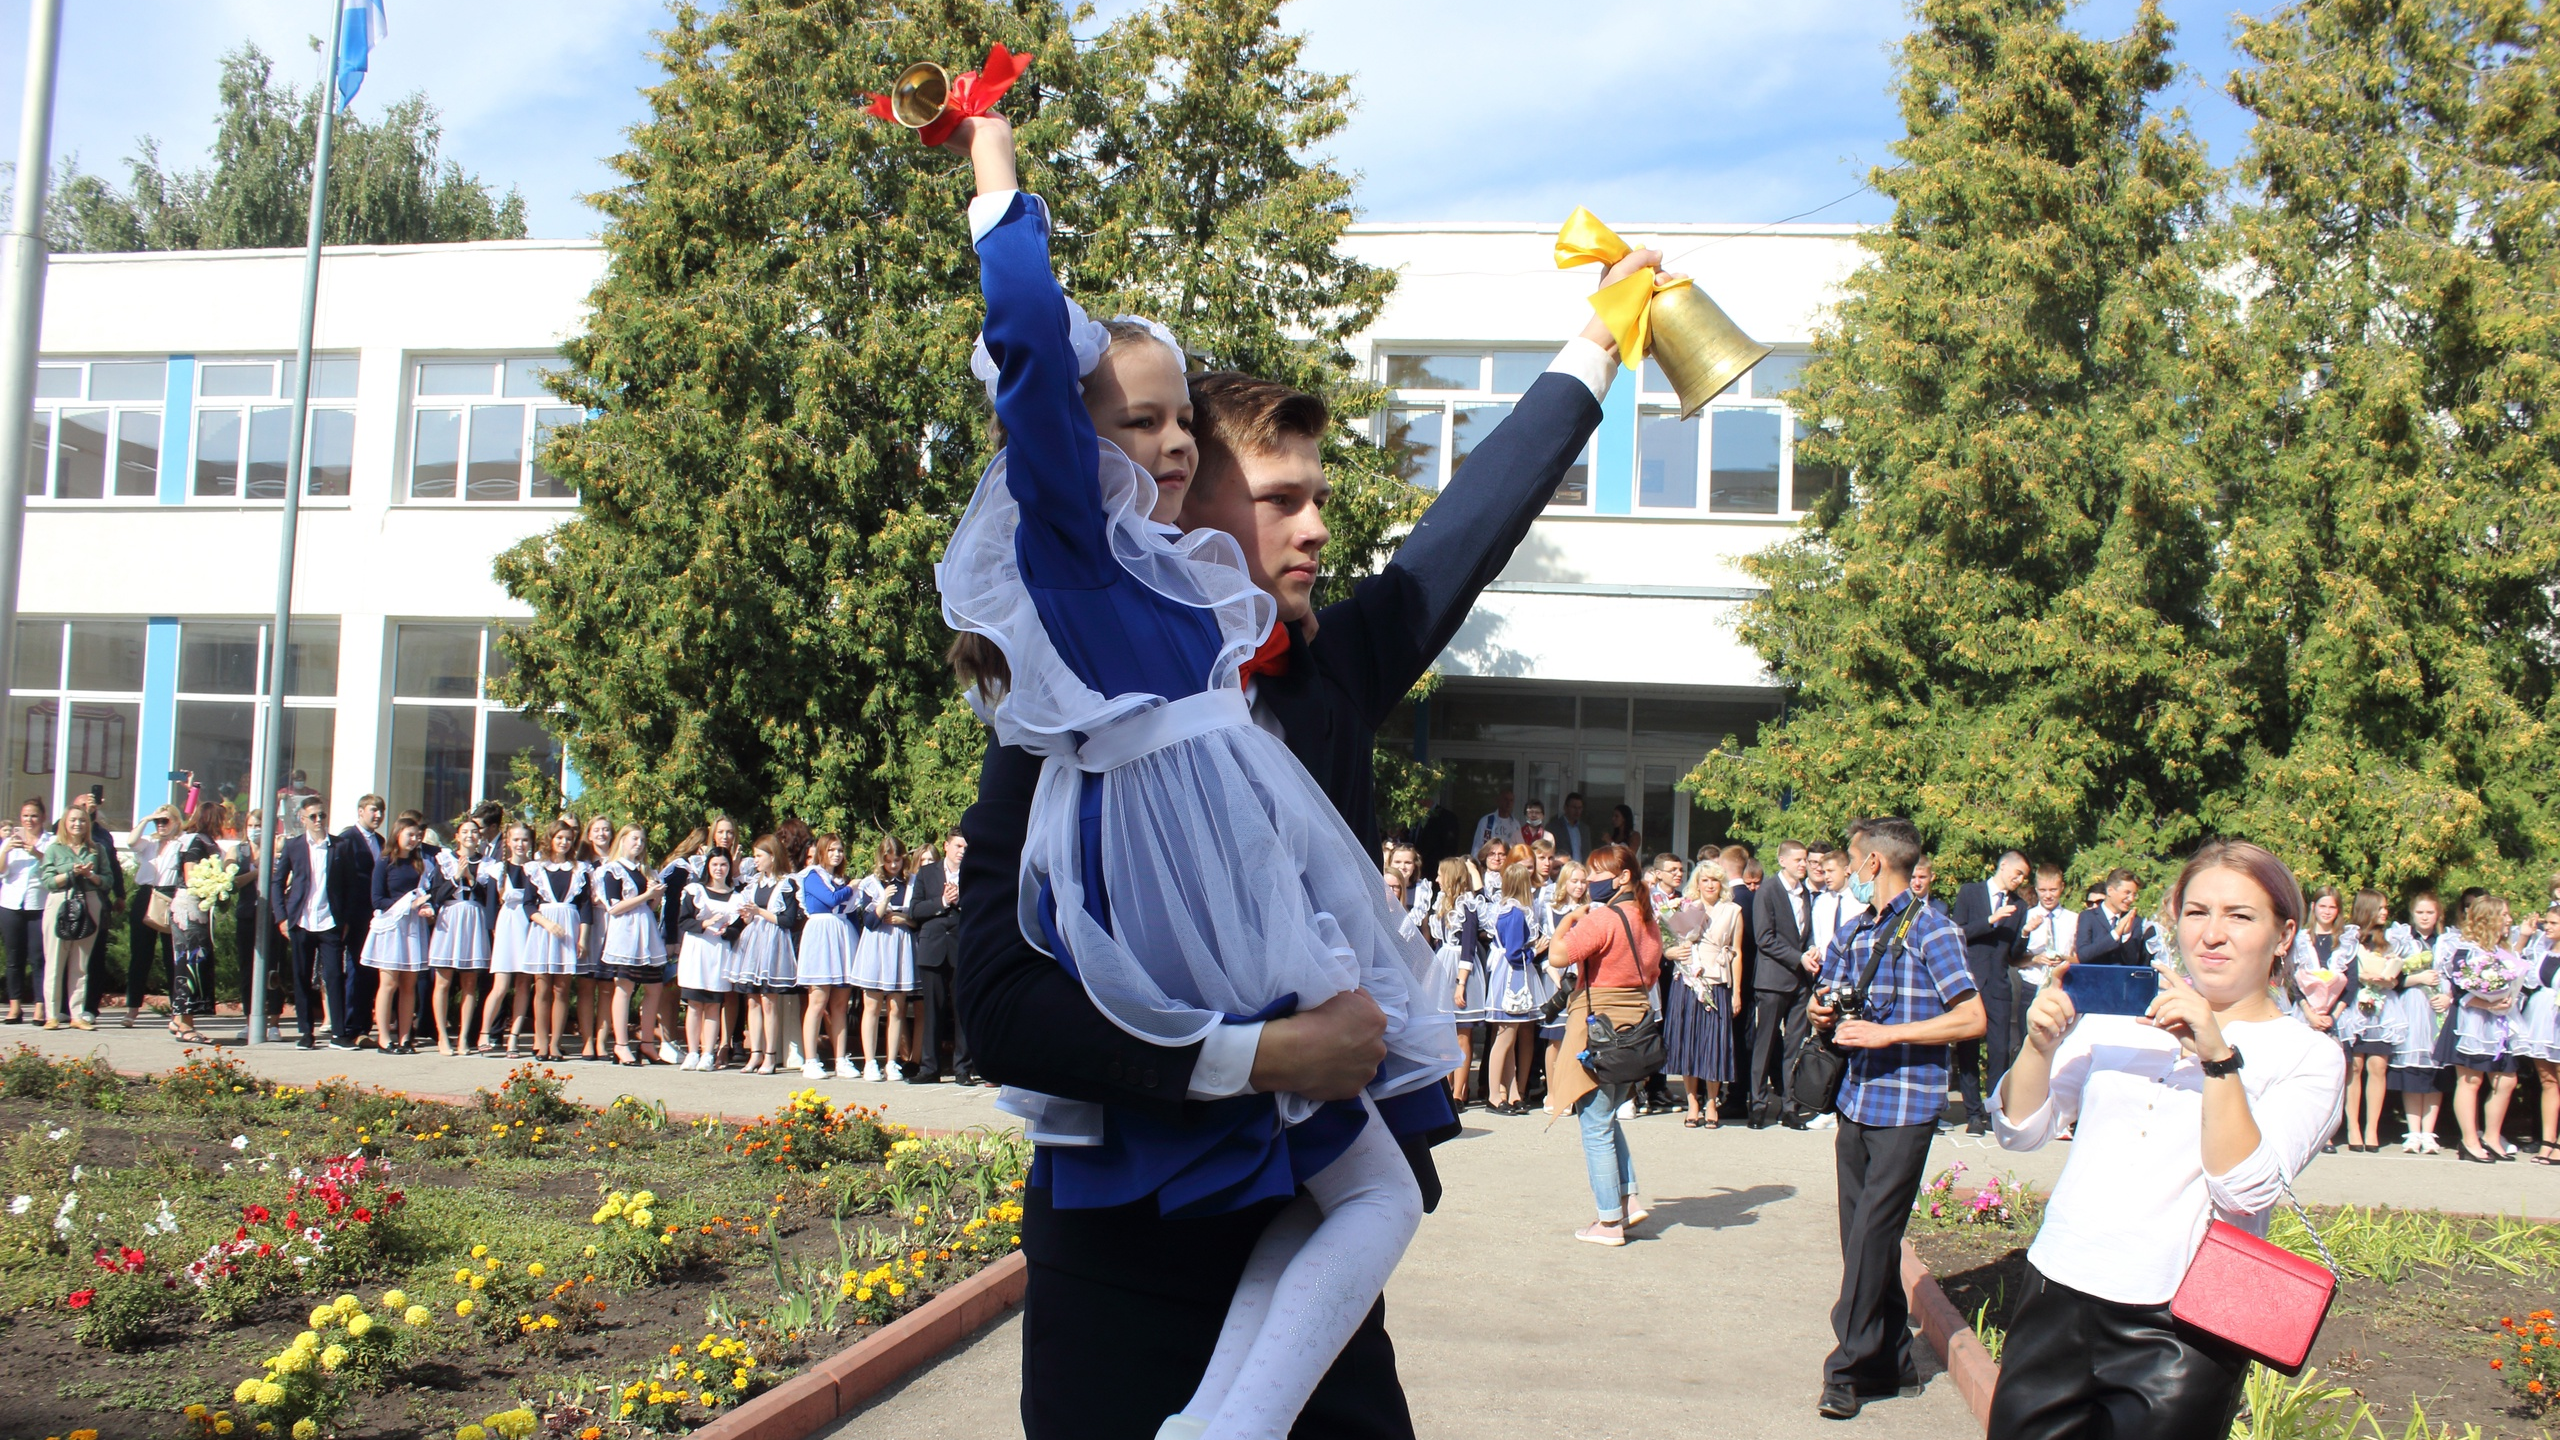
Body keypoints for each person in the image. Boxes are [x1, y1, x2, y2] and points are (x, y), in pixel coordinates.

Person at [1984, 840, 2344, 1439]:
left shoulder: (2310, 1056)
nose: (2213, 934)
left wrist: (2217, 1059)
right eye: (2198, 912)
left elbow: (2246, 1191)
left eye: (2240, 916)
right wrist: (2038, 1045)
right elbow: (2020, 1132)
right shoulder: (2119, 1018)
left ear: (2283, 935)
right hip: (2058, 1289)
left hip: (2182, 1323)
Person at [1806, 817, 1983, 1420]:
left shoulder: (1934, 928)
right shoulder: (1855, 930)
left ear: (1875, 863)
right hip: (1855, 1099)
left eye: (1852, 861)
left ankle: (1847, 1370)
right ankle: (1893, 1360)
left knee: (1873, 1236)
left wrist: (1889, 1035)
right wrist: (1821, 1011)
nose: (1848, 871)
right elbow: (1828, 995)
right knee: (1858, 1236)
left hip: (1907, 1102)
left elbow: (1971, 1018)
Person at [1548, 843, 1661, 1246]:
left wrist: (1570, 920)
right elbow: (1649, 974)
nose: (1592, 881)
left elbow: (1558, 956)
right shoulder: (1647, 918)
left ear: (1623, 877)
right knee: (1608, 1114)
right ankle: (1627, 1201)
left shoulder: (1606, 918)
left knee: (1594, 1121)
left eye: (1598, 874)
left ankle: (1609, 1221)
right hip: (1634, 1024)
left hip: (1597, 1022)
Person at [2443, 894, 2529, 1163]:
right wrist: (2488, 1003)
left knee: (2507, 1080)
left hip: (2501, 1023)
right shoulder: (2467, 950)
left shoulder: (2500, 952)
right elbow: (2459, 991)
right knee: (2471, 1080)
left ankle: (2492, 1136)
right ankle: (2469, 1141)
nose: (2509, 920)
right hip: (2473, 1021)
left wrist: (2507, 999)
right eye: (2504, 915)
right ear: (2488, 918)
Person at [1953, 852, 2031, 1136]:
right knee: (1968, 1050)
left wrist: (2024, 936)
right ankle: (1973, 1113)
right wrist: (1990, 919)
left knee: (1999, 1051)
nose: (2019, 879)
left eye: (2024, 876)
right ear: (2003, 865)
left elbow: (2012, 955)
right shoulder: (1971, 892)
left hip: (1998, 986)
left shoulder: (2019, 906)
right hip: (1971, 982)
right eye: (2018, 872)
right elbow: (1957, 932)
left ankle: (1992, 1110)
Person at [1665, 859, 1741, 1129]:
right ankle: (1692, 1102)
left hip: (1716, 981)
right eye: (1705, 880)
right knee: (1688, 1042)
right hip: (1686, 981)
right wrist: (1671, 951)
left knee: (1713, 1044)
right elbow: (1668, 944)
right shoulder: (1685, 908)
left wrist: (1737, 992)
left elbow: (1737, 952)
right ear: (1697, 883)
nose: (1710, 885)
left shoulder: (1733, 910)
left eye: (1715, 880)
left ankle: (1711, 1100)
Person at [1749, 839, 1818, 1129]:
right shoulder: (1768, 891)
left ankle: (1790, 1106)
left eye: (1805, 860)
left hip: (1801, 981)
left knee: (1795, 1045)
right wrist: (1798, 958)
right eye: (1798, 860)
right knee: (1764, 1044)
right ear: (1783, 861)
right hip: (1773, 979)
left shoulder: (1807, 894)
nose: (1803, 865)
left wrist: (1812, 950)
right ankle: (1758, 1104)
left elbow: (1808, 931)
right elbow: (1764, 937)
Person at [2335, 891, 2405, 1152]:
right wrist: (2362, 976)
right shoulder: (2349, 938)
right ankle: (2352, 1126)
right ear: (2368, 909)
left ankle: (2371, 1128)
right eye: (2380, 908)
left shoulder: (2389, 941)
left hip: (2382, 1010)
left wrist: (2389, 979)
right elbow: (2341, 971)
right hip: (2355, 1009)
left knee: (2378, 1067)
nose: (2385, 912)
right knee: (2354, 1067)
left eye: (2386, 908)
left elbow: (2399, 978)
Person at [1480, 861, 1552, 1114]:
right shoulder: (1515, 912)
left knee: (1508, 1037)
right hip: (1513, 975)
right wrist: (1536, 950)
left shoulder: (1506, 909)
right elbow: (1513, 953)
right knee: (1504, 1037)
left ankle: (1511, 1093)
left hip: (1510, 973)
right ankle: (1493, 1094)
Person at [595, 824, 669, 1067]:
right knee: (624, 987)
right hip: (625, 932)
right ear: (623, 840)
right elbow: (614, 907)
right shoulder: (612, 870)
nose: (639, 843)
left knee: (654, 987)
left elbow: (651, 908)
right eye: (634, 838)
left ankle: (647, 1043)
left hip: (644, 931)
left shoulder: (644, 870)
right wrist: (646, 896)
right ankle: (621, 1044)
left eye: (642, 840)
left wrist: (655, 894)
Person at [2384, 892, 2452, 1153]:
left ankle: (2429, 1132)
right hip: (2412, 1007)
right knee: (2412, 1069)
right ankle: (2413, 1131)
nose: (2425, 917)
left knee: (2436, 1070)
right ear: (2413, 915)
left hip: (2438, 1010)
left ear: (2438, 915)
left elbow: (2457, 977)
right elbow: (2392, 978)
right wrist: (2418, 978)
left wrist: (2448, 998)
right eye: (2420, 913)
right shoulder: (2403, 940)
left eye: (2430, 913)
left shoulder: (2446, 942)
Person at [360, 817, 435, 1053]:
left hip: (413, 928)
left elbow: (427, 892)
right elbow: (377, 899)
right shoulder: (385, 861)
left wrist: (425, 907)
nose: (414, 840)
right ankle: (384, 1038)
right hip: (392, 926)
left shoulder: (420, 864)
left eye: (417, 835)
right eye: (409, 835)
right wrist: (409, 903)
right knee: (389, 982)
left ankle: (404, 1037)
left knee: (409, 984)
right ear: (398, 834)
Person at [728, 834, 800, 1076]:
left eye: (760, 856)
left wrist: (759, 912)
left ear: (772, 856)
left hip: (773, 943)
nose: (755, 860)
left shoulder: (786, 884)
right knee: (752, 1000)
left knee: (769, 1001)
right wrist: (747, 915)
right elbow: (749, 915)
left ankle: (770, 1055)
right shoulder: (754, 884)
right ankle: (755, 1052)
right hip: (754, 942)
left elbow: (788, 920)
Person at [905, 829, 971, 1084]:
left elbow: (980, 907)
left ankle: (962, 1069)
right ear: (946, 846)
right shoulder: (926, 873)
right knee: (932, 1010)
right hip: (932, 948)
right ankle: (929, 1068)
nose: (962, 851)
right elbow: (915, 909)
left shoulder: (972, 874)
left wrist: (959, 902)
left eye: (966, 847)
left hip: (960, 947)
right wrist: (942, 901)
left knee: (961, 1009)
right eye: (958, 846)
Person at [38, 803, 112, 1031]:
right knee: (55, 961)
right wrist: (71, 873)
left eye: (82, 820)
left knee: (81, 963)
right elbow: (48, 880)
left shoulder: (97, 849)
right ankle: (52, 1014)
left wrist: (91, 875)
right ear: (64, 824)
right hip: (61, 901)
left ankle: (77, 1014)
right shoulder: (54, 849)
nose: (77, 824)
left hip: (89, 900)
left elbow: (108, 880)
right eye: (73, 820)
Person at [519, 820, 588, 1063]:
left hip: (569, 929)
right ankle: (541, 1043)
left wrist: (583, 938)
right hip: (544, 929)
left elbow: (585, 906)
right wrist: (546, 923)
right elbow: (527, 904)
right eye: (559, 837)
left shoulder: (579, 870)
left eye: (568, 839)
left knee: (562, 989)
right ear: (550, 839)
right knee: (542, 987)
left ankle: (556, 1044)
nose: (564, 842)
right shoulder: (536, 869)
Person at [426, 816, 492, 1057]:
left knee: (470, 983)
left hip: (473, 918)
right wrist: (456, 876)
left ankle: (464, 1037)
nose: (470, 836)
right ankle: (443, 1035)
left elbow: (488, 898)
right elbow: (436, 895)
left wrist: (470, 878)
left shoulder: (487, 864)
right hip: (450, 917)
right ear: (457, 835)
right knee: (443, 980)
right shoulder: (443, 859)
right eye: (465, 831)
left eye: (474, 832)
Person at [852, 836, 917, 1083]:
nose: (893, 866)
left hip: (900, 943)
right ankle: (870, 1062)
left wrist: (906, 920)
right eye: (888, 861)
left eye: (897, 860)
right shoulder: (871, 884)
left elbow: (917, 918)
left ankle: (891, 1061)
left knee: (897, 1007)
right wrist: (885, 900)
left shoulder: (912, 882)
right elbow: (869, 922)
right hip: (877, 944)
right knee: (871, 1005)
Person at [797, 833, 860, 1081]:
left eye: (840, 850)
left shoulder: (841, 879)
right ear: (822, 851)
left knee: (840, 1004)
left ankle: (841, 1058)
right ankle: (811, 1059)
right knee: (818, 1000)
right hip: (821, 936)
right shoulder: (812, 876)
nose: (837, 854)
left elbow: (852, 913)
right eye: (832, 850)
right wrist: (851, 887)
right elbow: (831, 898)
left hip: (842, 936)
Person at [166, 802, 229, 1044]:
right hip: (189, 907)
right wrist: (218, 883)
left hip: (199, 908)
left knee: (195, 960)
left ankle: (178, 1017)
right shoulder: (195, 841)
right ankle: (185, 1023)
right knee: (188, 961)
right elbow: (192, 876)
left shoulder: (204, 841)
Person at [675, 847, 741, 1072]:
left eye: (723, 865)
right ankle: (692, 1052)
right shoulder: (695, 891)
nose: (719, 869)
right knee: (694, 1005)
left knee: (713, 1005)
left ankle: (707, 1054)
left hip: (718, 954)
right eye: (715, 864)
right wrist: (704, 923)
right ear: (708, 866)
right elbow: (683, 921)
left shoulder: (737, 897)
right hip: (697, 951)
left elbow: (738, 929)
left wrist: (726, 931)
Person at [124, 804, 183, 1030]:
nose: (161, 825)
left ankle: (177, 1009)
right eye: (158, 821)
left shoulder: (180, 844)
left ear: (176, 822)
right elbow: (131, 842)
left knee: (172, 955)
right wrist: (147, 817)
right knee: (140, 955)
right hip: (146, 894)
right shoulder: (148, 844)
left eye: (165, 821)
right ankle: (132, 1008)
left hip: (169, 894)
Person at [481, 823, 536, 1056]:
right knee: (501, 985)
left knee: (524, 984)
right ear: (508, 842)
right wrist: (492, 931)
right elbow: (491, 906)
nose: (520, 844)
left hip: (528, 926)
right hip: (506, 926)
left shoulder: (535, 870)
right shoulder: (498, 869)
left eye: (524, 840)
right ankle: (485, 1033)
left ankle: (514, 1037)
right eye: (516, 840)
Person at [0, 798, 47, 1025]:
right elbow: (2, 873)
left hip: (38, 904)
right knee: (14, 958)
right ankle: (15, 1007)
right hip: (11, 904)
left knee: (38, 958)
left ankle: (39, 1008)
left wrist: (36, 852)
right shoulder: (10, 841)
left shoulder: (51, 841)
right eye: (26, 816)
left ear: (42, 818)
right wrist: (5, 850)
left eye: (34, 816)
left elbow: (54, 865)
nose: (30, 820)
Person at [2519, 906, 2560, 1165]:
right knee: (2547, 1081)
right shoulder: (2542, 950)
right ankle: (2547, 1141)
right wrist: (2524, 936)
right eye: (2547, 922)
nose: (2548, 927)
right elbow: (2516, 966)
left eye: (2554, 923)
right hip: (2542, 1021)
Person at [2073, 869, 2151, 965]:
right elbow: (2082, 955)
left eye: (2134, 894)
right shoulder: (2088, 917)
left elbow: (2133, 962)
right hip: (2094, 978)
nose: (2131, 899)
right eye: (2127, 893)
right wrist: (2115, 934)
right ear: (2110, 891)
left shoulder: (2134, 921)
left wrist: (2126, 936)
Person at [1470, 787, 1522, 856]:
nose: (1508, 803)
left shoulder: (1516, 824)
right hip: (1491, 861)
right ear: (1498, 801)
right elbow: (1477, 847)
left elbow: (1519, 848)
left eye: (1511, 800)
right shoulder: (1487, 821)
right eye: (1505, 799)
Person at [1554, 793, 1590, 864]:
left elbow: (1587, 852)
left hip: (1581, 870)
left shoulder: (1584, 829)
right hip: (1562, 870)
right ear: (1565, 808)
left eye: (1580, 808)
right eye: (1574, 807)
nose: (1577, 811)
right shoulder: (1554, 827)